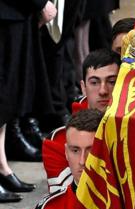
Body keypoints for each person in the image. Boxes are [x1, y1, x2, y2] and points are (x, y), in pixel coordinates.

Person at [31, 109, 104, 209]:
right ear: (65, 152)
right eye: (75, 150)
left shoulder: (130, 204)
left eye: (91, 150)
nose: (82, 161)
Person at [0, 0, 57, 202]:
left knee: (6, 98)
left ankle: (2, 166)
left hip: (15, 12)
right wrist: (40, 3)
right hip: (7, 12)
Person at [42, 49, 121, 193]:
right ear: (83, 88)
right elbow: (66, 199)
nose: (103, 91)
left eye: (112, 82)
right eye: (94, 82)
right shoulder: (57, 140)